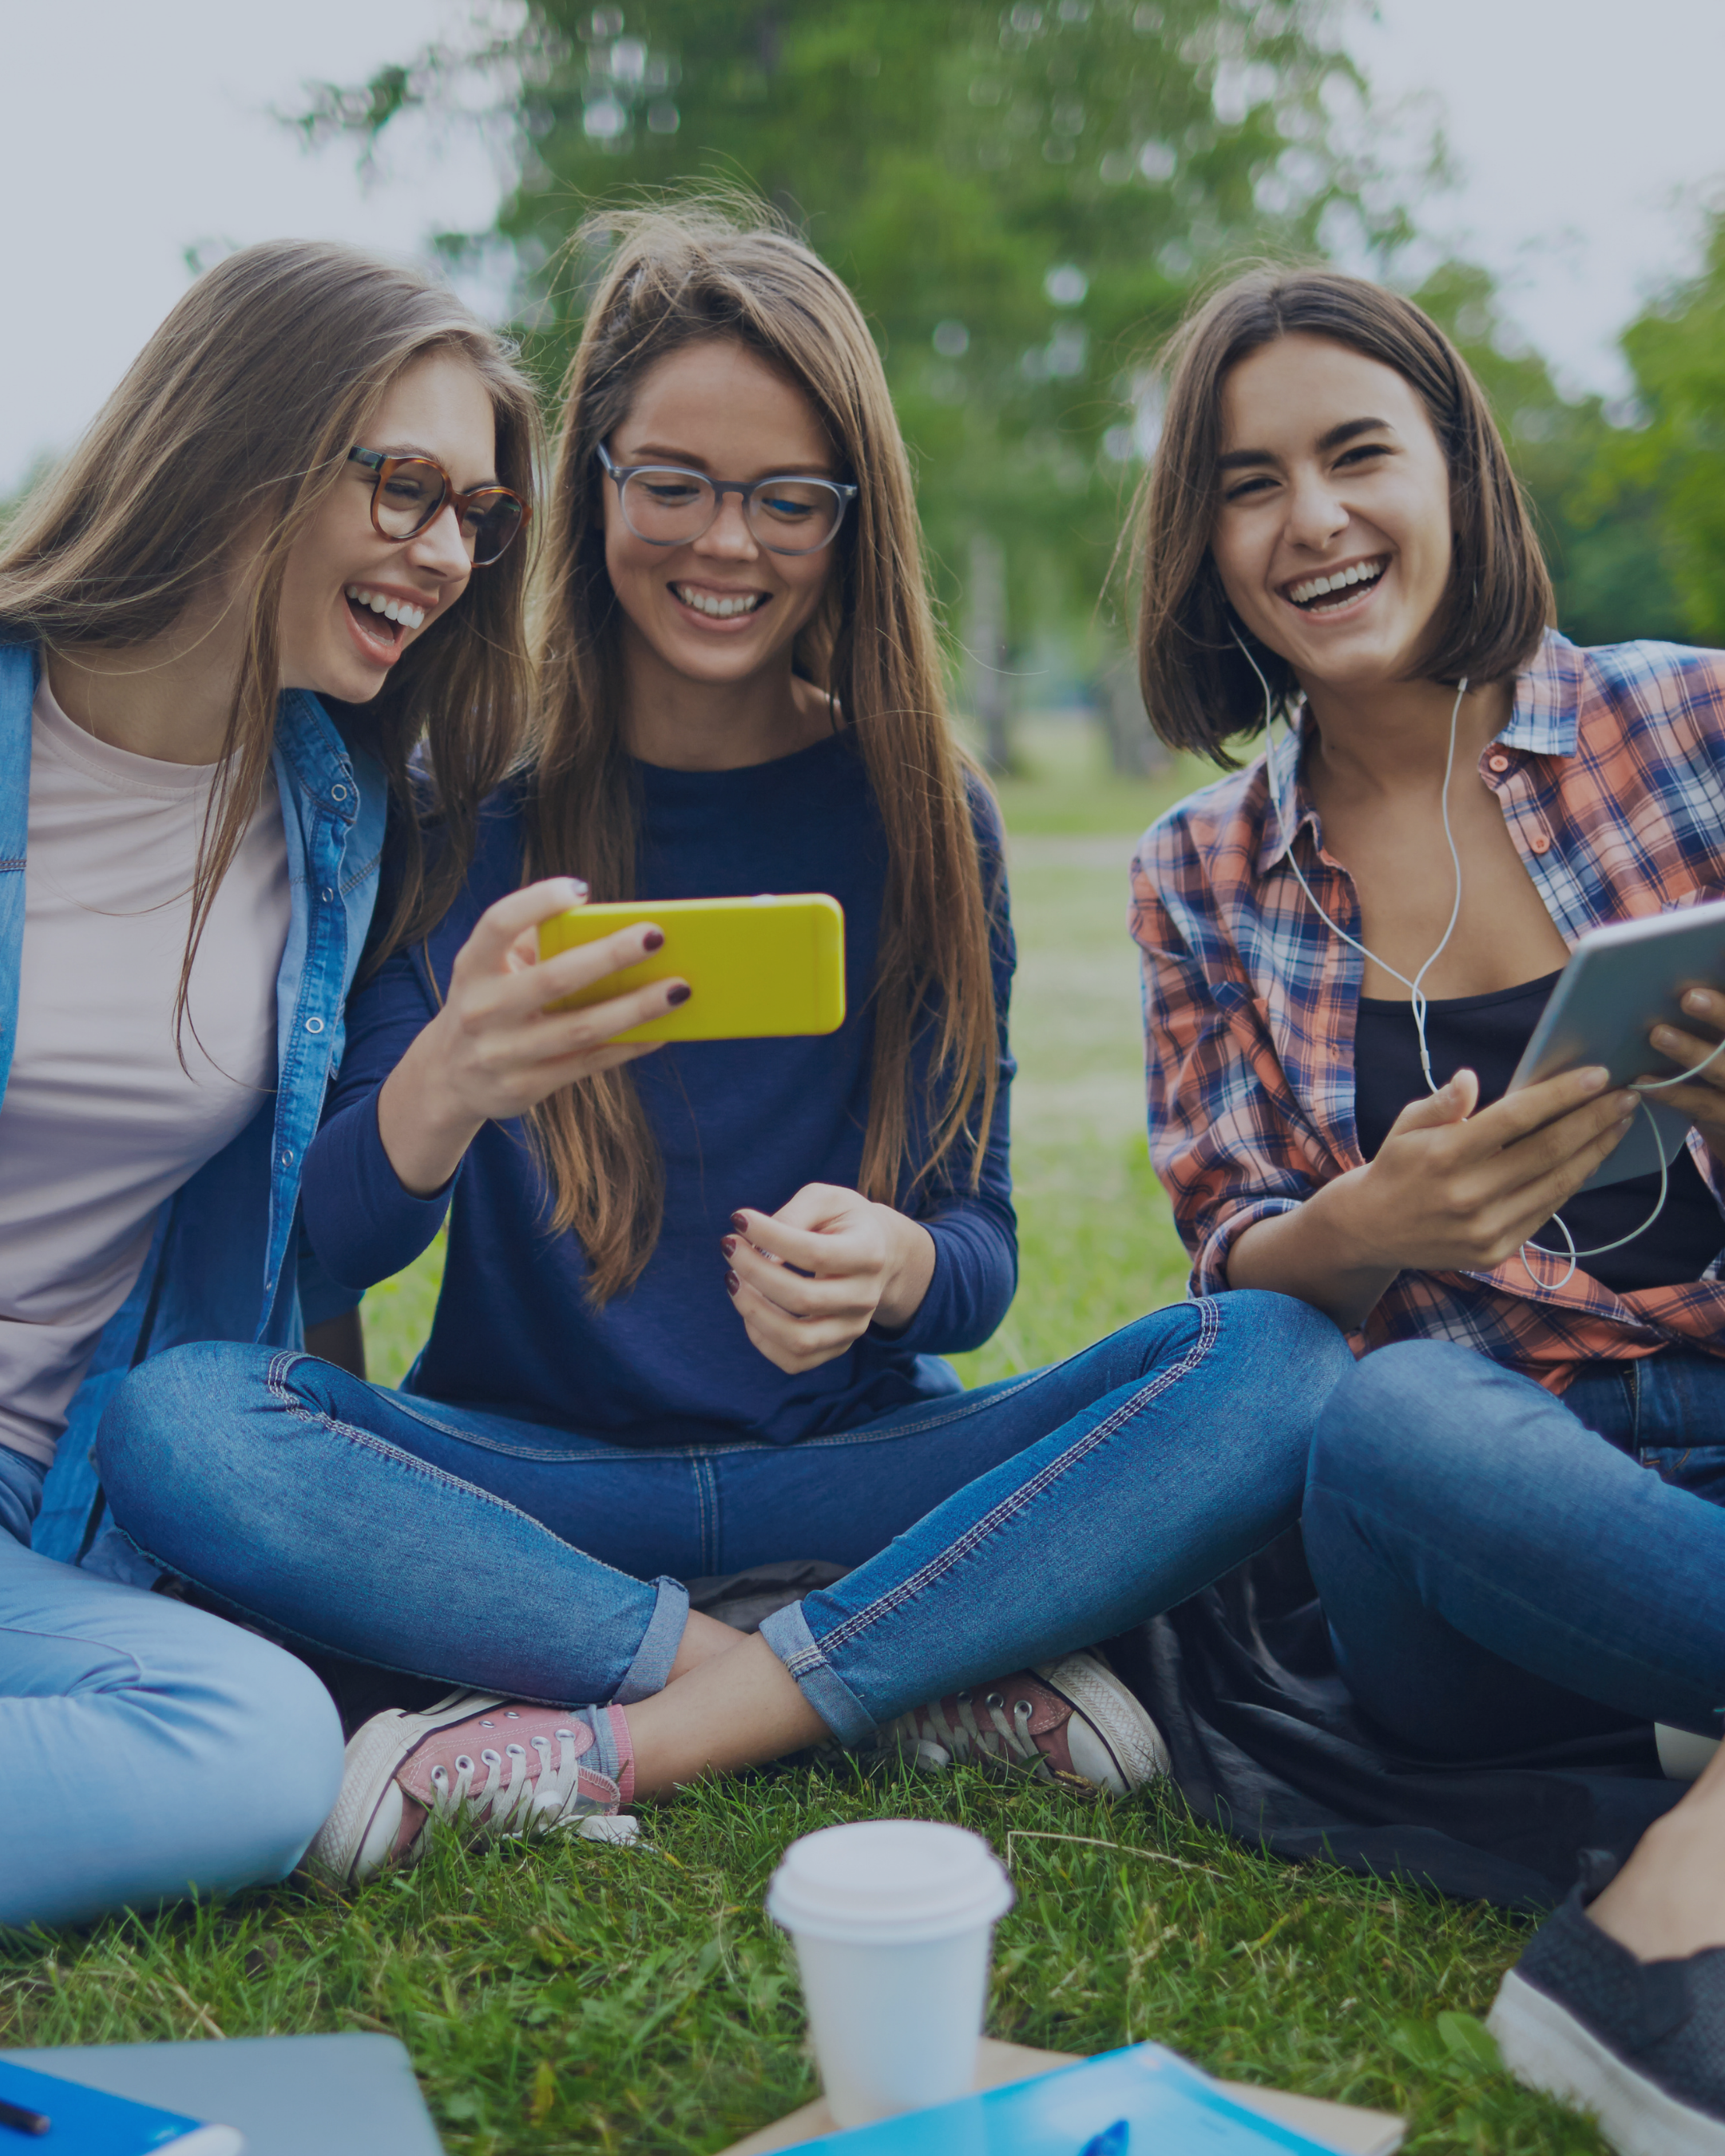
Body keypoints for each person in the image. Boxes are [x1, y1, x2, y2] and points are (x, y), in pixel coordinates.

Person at [97, 206, 1351, 1885]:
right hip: (536, 1482)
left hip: (853, 1467)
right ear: (592, 481)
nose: (727, 543)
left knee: (1274, 1362)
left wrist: (899, 1264)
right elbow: (327, 1236)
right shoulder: (461, 806)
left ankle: (643, 1719)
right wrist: (451, 1077)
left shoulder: (922, 813)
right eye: (673, 481)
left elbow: (981, 1252)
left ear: (851, 521)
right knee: (180, 1422)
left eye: (787, 499)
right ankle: (874, 1669)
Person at [1129, 267, 1725, 1879]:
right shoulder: (1197, 874)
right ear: (1205, 544)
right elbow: (1233, 1251)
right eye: (1249, 486)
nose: (1311, 520)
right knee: (1389, 1422)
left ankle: (1689, 1720)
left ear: (1456, 471)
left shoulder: (1695, 723)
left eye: (1357, 454)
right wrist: (1374, 1225)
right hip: (1485, 1498)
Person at [0, 238, 539, 1927]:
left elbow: (292, 1256)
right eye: (405, 488)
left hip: (47, 1510)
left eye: (478, 513)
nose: (447, 552)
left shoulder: (338, 821)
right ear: (244, 450)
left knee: (253, 1742)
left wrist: (449, 1083)